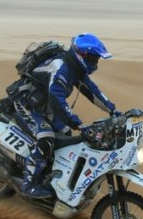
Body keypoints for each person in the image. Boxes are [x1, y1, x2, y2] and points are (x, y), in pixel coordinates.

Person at [13, 33, 119, 199]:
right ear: (81, 55)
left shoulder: (75, 69)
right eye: (93, 58)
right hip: (27, 104)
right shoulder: (60, 68)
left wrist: (113, 110)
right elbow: (57, 101)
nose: (94, 62)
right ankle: (30, 185)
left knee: (65, 136)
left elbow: (92, 91)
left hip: (43, 106)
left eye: (96, 59)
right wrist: (77, 123)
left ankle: (51, 178)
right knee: (46, 139)